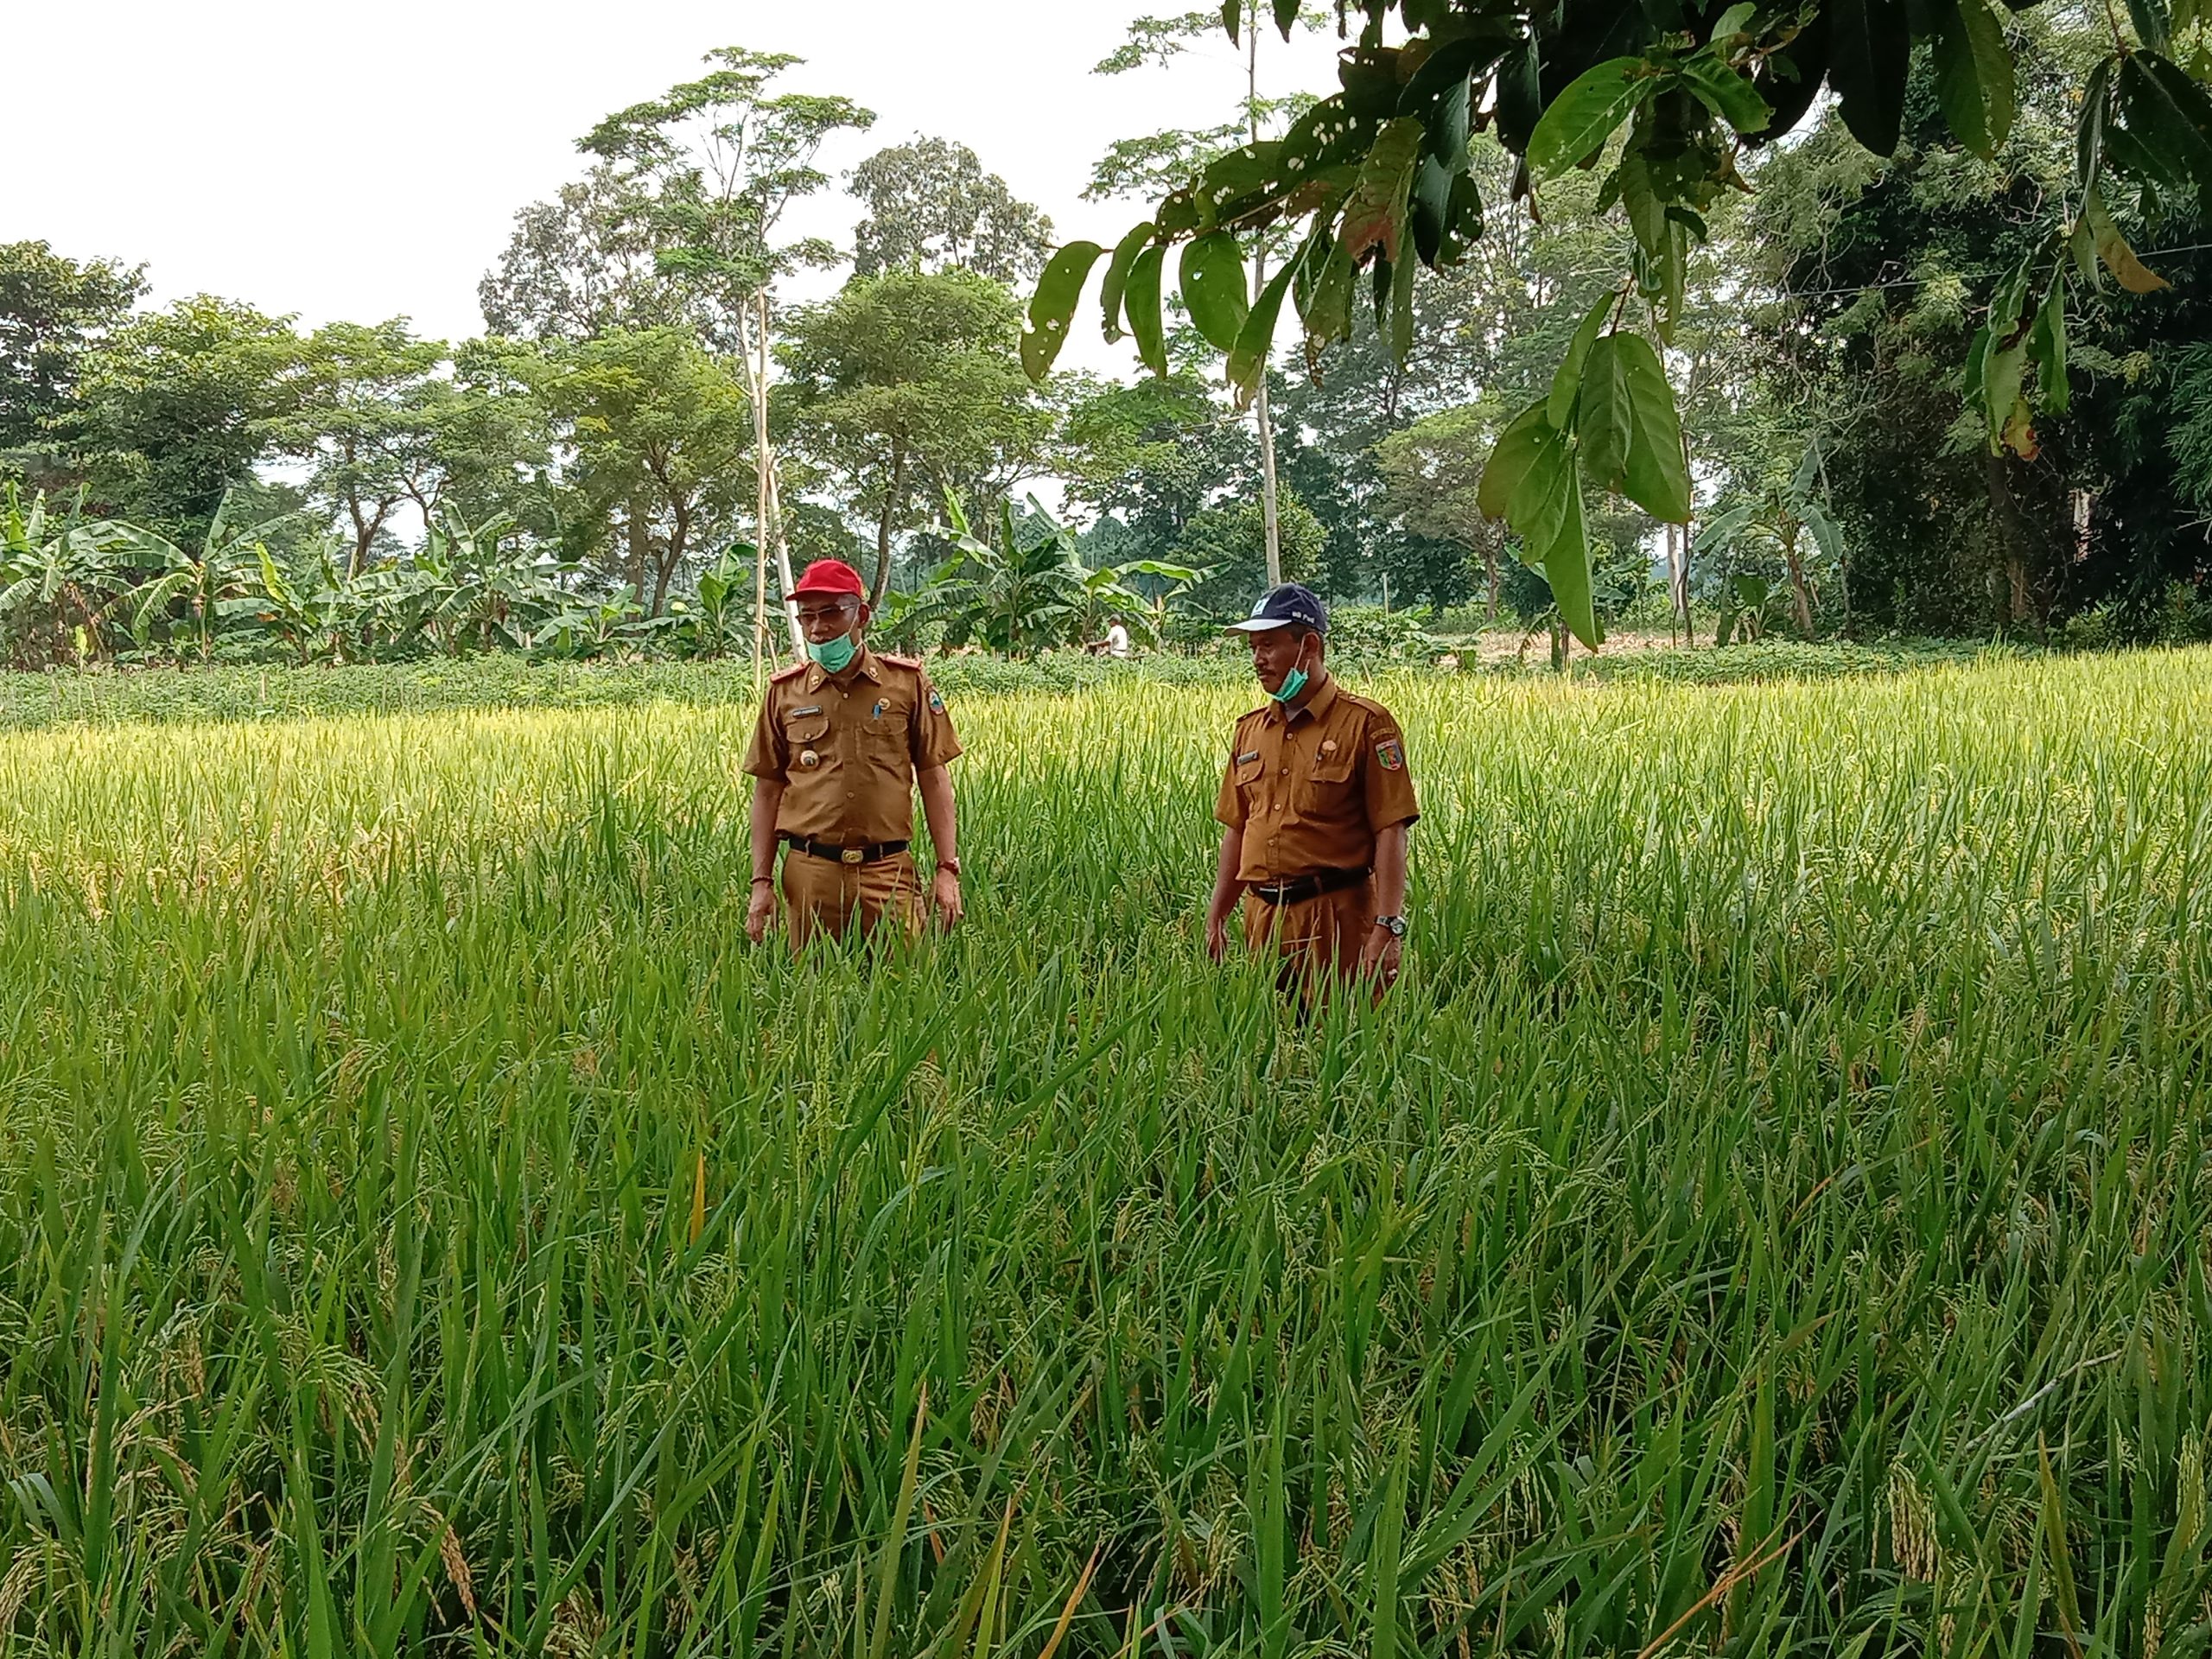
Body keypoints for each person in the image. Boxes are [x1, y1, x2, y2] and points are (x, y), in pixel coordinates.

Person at [1203, 582, 1417, 997]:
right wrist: (1218, 914)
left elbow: (1391, 829)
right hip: (1263, 919)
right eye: (1252, 648)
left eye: (1268, 645)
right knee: (1274, 1047)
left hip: (1336, 919)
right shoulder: (1250, 732)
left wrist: (1388, 926)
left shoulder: (1366, 724)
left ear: (1310, 646)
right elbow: (1238, 828)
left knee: (1344, 1043)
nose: (1257, 660)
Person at [742, 558, 964, 950]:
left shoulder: (906, 685)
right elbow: (768, 791)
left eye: (831, 613)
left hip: (889, 871)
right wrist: (761, 882)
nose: (818, 628)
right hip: (810, 874)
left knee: (905, 991)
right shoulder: (784, 693)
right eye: (807, 616)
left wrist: (947, 869)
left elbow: (934, 776)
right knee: (815, 996)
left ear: (860, 614)